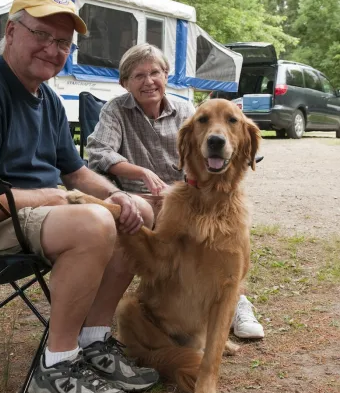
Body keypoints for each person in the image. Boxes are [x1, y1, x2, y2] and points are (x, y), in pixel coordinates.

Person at [0, 0, 159, 393]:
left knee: (138, 210)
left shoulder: (48, 99)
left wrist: (114, 193)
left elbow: (74, 172)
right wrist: (52, 198)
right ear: (12, 32)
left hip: (38, 218)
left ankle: (92, 340)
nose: (53, 50)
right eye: (42, 35)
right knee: (92, 224)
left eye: (62, 44)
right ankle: (56, 365)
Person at [87, 43, 264, 340]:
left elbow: (207, 153)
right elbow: (98, 153)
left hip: (183, 196)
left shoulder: (186, 110)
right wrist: (140, 171)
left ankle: (234, 302)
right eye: (138, 75)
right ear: (125, 82)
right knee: (148, 216)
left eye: (155, 72)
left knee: (223, 236)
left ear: (166, 75)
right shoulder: (115, 110)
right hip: (138, 199)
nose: (148, 81)